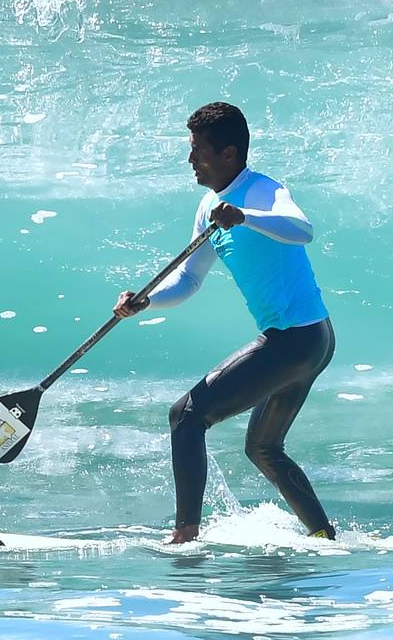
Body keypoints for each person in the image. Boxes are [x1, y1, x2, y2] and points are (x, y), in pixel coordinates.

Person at [114, 101, 338, 543]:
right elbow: (189, 278)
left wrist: (245, 218)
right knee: (262, 448)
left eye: (198, 150)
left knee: (187, 416)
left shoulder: (262, 191)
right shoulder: (207, 208)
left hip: (297, 339)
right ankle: (323, 538)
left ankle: (185, 537)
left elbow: (302, 228)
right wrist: (147, 301)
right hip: (310, 340)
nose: (190, 160)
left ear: (229, 154)